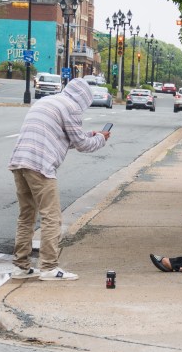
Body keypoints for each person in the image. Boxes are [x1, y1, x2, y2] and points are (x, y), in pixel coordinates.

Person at [7, 78, 110, 281]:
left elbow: (62, 137)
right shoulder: (71, 107)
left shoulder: (47, 101)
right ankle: (48, 267)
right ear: (84, 98)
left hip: (20, 161)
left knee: (26, 216)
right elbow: (81, 144)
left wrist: (91, 133)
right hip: (40, 165)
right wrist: (100, 139)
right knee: (52, 216)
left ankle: (21, 266)